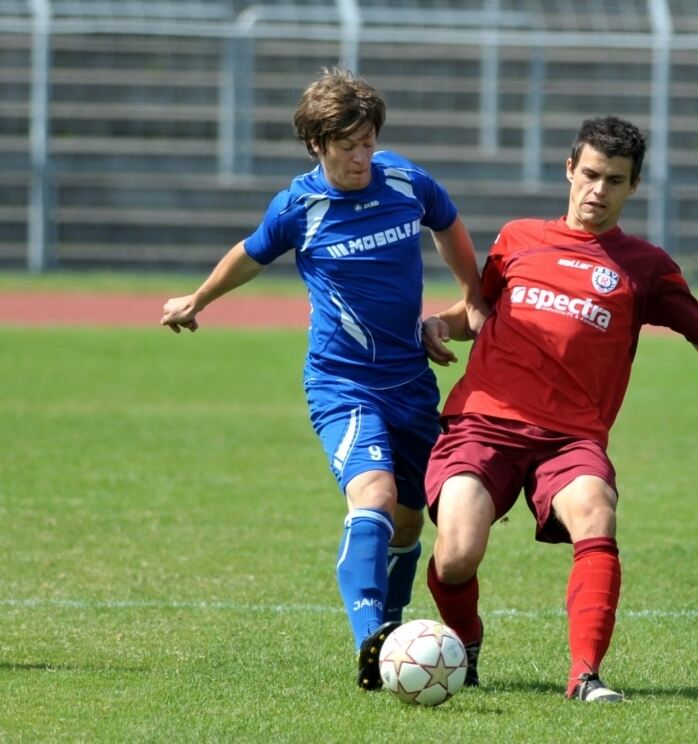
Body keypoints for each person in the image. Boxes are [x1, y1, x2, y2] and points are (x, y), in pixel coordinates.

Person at [421, 115, 698, 702]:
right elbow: (476, 312)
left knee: (595, 511)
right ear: (569, 169)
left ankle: (585, 675)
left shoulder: (646, 267)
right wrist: (439, 322)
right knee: (456, 552)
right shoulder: (518, 239)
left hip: (571, 438)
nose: (597, 191)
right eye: (589, 175)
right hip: (483, 422)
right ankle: (464, 644)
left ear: (633, 186)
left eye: (614, 180)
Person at [160, 67, 486, 691]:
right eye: (348, 146)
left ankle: (390, 635)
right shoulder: (299, 206)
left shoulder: (406, 180)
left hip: (411, 383)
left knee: (413, 523)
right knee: (374, 498)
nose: (362, 157)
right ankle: (370, 636)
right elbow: (249, 254)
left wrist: (470, 292)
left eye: (368, 142)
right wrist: (198, 299)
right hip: (342, 383)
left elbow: (447, 222)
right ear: (317, 144)